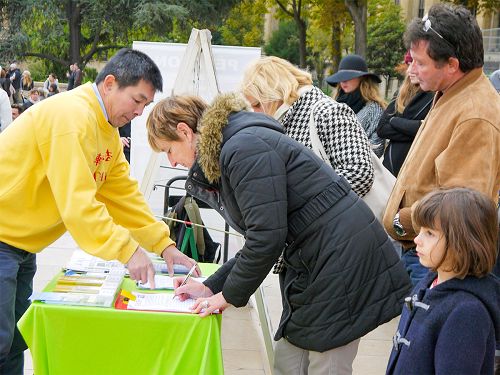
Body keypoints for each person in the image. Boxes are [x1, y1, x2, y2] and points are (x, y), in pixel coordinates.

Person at [147, 93, 411, 375]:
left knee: (326, 365)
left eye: (168, 150)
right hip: (316, 260)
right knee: (288, 362)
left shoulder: (242, 148)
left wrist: (226, 296)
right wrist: (211, 286)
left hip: (340, 262)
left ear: (185, 132)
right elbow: (263, 237)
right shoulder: (237, 145)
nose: (172, 163)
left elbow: (266, 239)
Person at [0, 48, 199, 374]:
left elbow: (124, 197)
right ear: (109, 83)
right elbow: (78, 205)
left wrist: (164, 245)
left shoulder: (105, 130)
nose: (139, 112)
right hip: (3, 237)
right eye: (137, 100)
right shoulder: (71, 118)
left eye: (145, 105)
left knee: (14, 342)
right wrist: (128, 250)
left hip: (22, 245)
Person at [382, 3, 500, 287]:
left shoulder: (475, 113)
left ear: (451, 65)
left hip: (440, 263)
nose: (413, 70)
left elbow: (461, 207)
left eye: (420, 63)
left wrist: (402, 222)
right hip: (426, 253)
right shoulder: (452, 93)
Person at [386, 187, 500, 375]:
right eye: (420, 230)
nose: (417, 239)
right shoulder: (430, 284)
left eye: (429, 233)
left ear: (462, 243)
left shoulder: (467, 313)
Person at [240, 56, 374, 197]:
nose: (255, 112)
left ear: (275, 93)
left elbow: (360, 173)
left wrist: (304, 205)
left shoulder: (327, 112)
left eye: (257, 104)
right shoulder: (283, 118)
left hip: (338, 217)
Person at [376, 52, 434, 177]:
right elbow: (382, 129)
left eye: (418, 64)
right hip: (391, 167)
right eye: (409, 64)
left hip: (415, 169)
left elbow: (428, 131)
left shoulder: (434, 95)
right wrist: (413, 130)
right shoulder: (402, 93)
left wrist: (394, 121)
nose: (410, 70)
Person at [326, 54, 387, 157]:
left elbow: (377, 149)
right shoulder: (333, 105)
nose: (343, 81)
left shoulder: (374, 109)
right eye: (341, 77)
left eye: (348, 77)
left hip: (360, 168)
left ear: (362, 78)